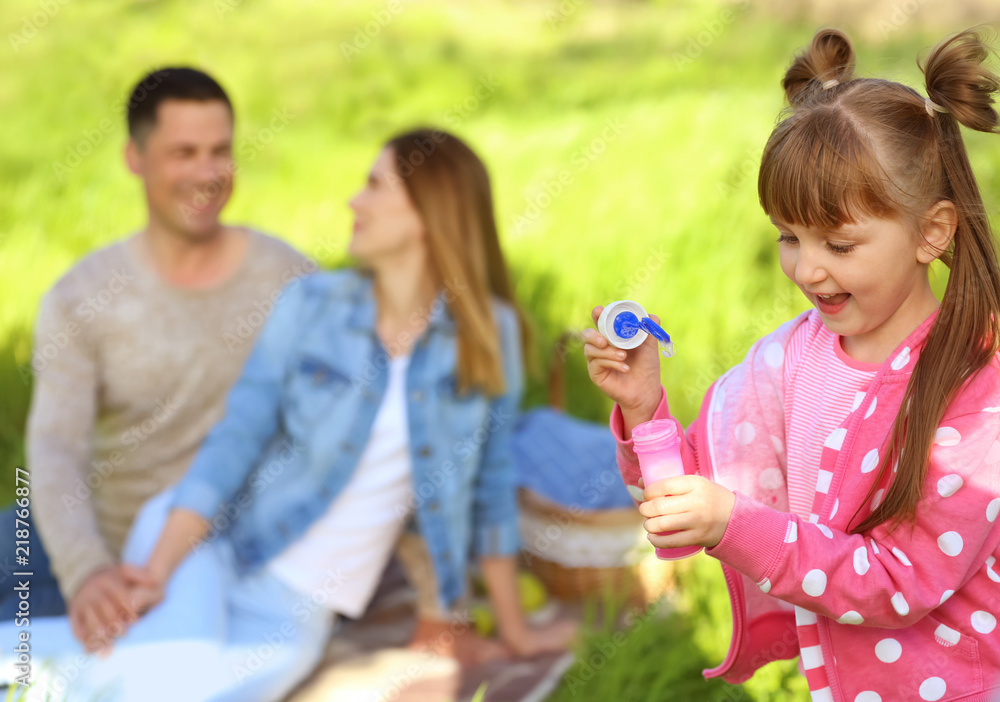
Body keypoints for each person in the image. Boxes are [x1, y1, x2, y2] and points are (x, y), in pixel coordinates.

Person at [5, 128, 575, 701]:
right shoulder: (313, 306)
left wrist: (515, 630)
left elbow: (492, 488)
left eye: (375, 187)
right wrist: (157, 570)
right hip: (213, 546)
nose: (354, 201)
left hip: (303, 609)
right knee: (173, 675)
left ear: (427, 213)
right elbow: (237, 437)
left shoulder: (489, 336)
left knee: (175, 685)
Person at [585, 28, 1000, 701]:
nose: (807, 269)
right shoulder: (788, 358)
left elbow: (899, 582)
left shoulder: (974, 392)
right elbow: (689, 497)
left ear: (933, 231)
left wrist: (735, 526)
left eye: (839, 243)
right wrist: (643, 409)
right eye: (788, 236)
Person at [0, 67, 309, 651]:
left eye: (220, 151)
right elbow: (55, 449)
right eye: (183, 152)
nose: (206, 173)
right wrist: (87, 570)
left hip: (194, 558)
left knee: (33, 663)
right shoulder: (81, 296)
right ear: (134, 159)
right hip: (85, 537)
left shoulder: (288, 280)